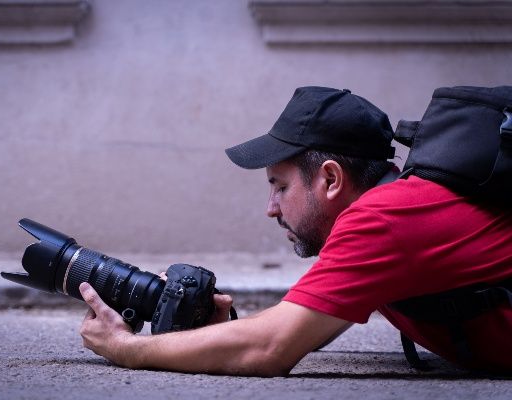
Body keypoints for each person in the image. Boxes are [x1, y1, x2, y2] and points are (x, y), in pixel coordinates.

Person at [78, 86, 512, 376]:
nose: (271, 209)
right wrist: (214, 335)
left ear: (331, 179)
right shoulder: (397, 206)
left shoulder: (382, 218)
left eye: (279, 186)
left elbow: (271, 348)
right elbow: (302, 328)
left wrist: (123, 347)